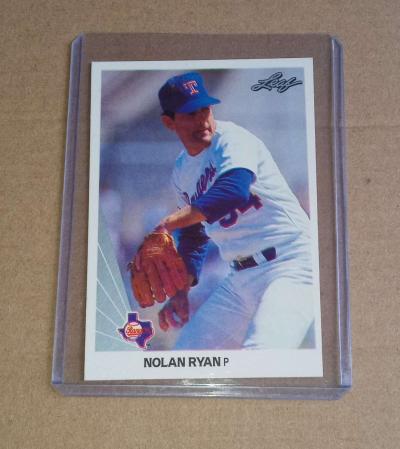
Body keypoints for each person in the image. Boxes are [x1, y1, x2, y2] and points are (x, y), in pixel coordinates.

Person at [147, 71, 315, 350]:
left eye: (205, 109)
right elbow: (194, 236)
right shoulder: (182, 171)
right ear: (169, 122)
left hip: (291, 263)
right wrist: (180, 291)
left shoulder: (232, 139)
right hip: (239, 280)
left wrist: (169, 222)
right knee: (186, 358)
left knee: (263, 354)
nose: (202, 120)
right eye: (190, 114)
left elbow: (233, 190)